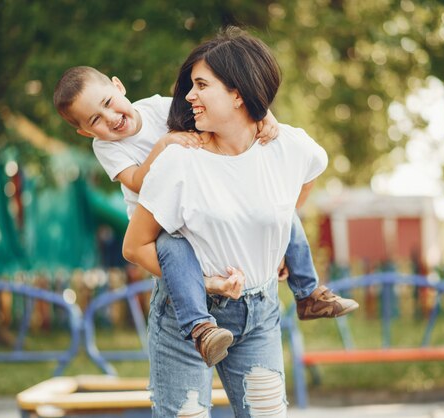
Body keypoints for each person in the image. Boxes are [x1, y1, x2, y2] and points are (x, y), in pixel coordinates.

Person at [53, 64, 357, 368]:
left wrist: (263, 114)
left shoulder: (158, 107)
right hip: (160, 223)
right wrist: (163, 146)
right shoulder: (106, 147)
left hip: (196, 205)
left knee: (282, 213)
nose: (110, 118)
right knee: (174, 249)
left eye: (107, 103)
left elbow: (215, 108)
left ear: (118, 87)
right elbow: (135, 181)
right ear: (86, 131)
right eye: (96, 120)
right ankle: (201, 328)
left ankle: (308, 292)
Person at [122, 26, 347, 417]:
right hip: (187, 316)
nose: (189, 95)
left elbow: (310, 173)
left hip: (259, 311)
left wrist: (277, 238)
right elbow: (134, 246)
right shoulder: (179, 161)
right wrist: (204, 282)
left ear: (238, 93)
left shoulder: (288, 147)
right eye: (190, 85)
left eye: (201, 85)